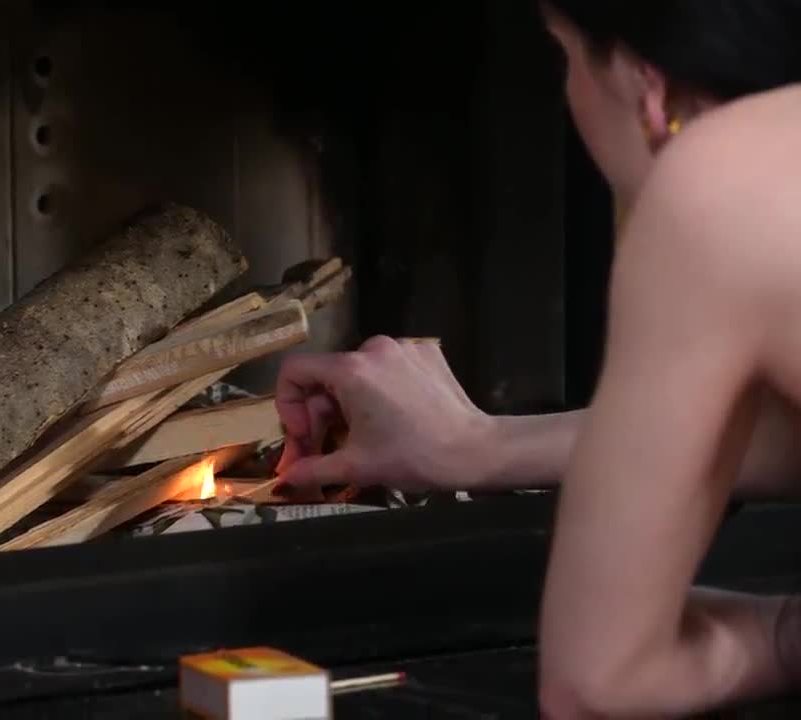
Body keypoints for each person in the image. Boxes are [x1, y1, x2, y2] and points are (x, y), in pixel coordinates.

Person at [272, 1, 801, 715]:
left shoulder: (717, 179)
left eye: (564, 55)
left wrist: (784, 633)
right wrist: (480, 444)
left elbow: (600, 684)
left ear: (648, 86)